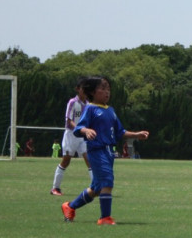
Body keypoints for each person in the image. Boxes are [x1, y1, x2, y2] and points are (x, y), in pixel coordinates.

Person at [61, 76, 149, 225]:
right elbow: (78, 129)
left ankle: (70, 206)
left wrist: (135, 135)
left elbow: (120, 132)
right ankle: (105, 218)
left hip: (109, 152)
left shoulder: (111, 110)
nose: (107, 92)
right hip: (96, 150)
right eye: (103, 89)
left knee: (96, 189)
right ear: (93, 92)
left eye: (108, 89)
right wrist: (86, 130)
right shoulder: (90, 109)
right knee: (107, 181)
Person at [52, 79, 92, 195]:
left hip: (83, 136)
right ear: (78, 89)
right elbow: (69, 121)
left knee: (89, 160)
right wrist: (79, 129)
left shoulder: (88, 104)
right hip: (71, 135)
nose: (85, 91)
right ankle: (55, 188)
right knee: (66, 161)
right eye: (83, 88)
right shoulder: (72, 102)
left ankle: (95, 188)